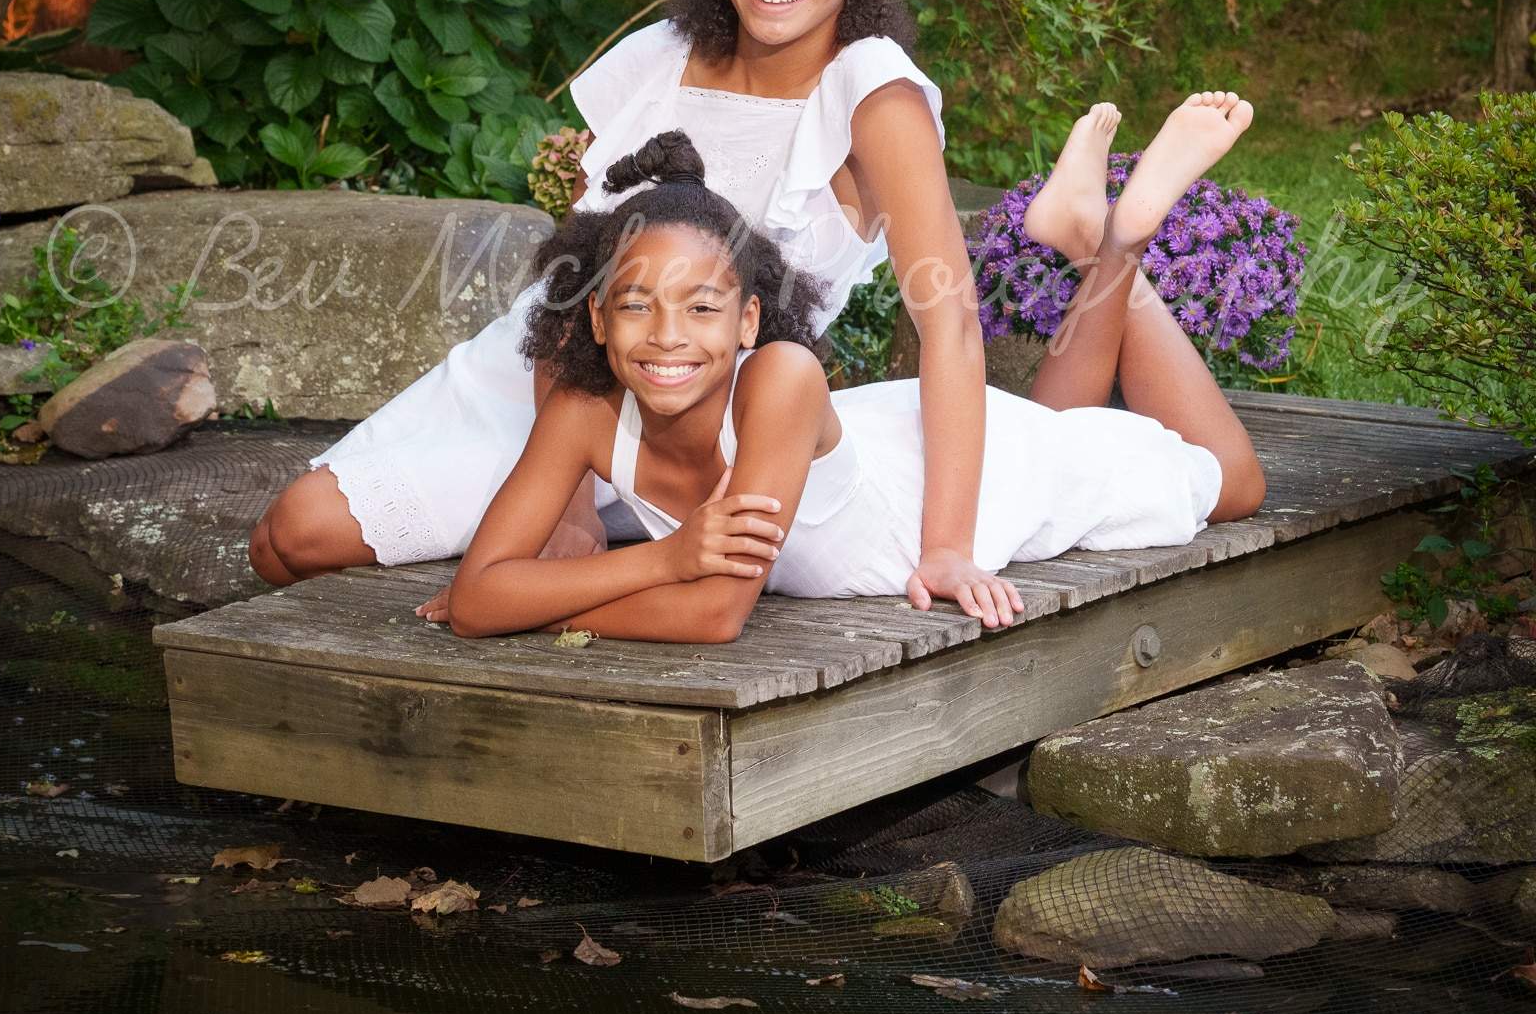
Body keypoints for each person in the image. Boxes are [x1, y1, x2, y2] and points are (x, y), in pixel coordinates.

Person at [249, 0, 1017, 625]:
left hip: (684, 419)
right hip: (554, 380)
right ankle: (534, 542)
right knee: (280, 541)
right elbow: (572, 282)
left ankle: (558, 556)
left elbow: (950, 323)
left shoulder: (873, 95)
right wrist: (570, 504)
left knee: (313, 536)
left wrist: (947, 546)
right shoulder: (662, 57)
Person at [433, 121, 1264, 642]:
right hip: (894, 439)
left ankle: (1119, 240)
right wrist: (658, 565)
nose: (667, 336)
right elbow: (476, 599)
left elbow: (713, 613)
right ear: (598, 318)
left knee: (1231, 485)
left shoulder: (782, 374)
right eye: (635, 305)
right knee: (1058, 426)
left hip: (933, 491)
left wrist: (548, 601)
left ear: (749, 322)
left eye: (701, 308)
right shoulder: (584, 408)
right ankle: (1081, 229)